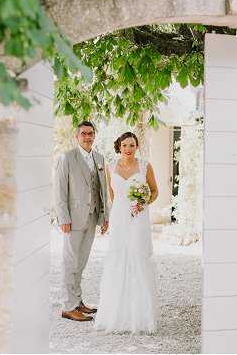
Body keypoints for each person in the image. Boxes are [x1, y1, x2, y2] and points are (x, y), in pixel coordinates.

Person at [94, 131, 160, 333]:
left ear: (137, 146)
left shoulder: (145, 165)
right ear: (119, 147)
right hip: (120, 217)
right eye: (124, 145)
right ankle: (115, 314)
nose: (128, 149)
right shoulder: (110, 167)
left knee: (137, 257)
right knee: (118, 258)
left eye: (132, 145)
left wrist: (142, 202)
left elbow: (155, 191)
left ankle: (140, 317)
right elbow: (113, 195)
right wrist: (119, 212)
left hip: (138, 218)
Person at [54, 121, 109, 322]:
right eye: (84, 133)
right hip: (73, 219)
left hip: (93, 217)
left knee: (81, 262)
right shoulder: (66, 158)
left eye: (91, 133)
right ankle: (68, 306)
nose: (88, 136)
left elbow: (103, 190)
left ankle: (77, 301)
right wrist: (63, 218)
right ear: (77, 136)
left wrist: (104, 216)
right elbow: (59, 191)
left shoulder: (100, 158)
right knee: (70, 262)